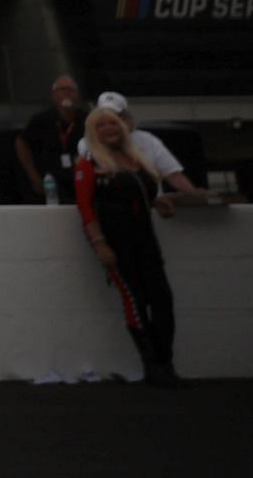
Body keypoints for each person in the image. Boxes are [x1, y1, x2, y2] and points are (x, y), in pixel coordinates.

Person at [73, 106, 183, 386]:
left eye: (113, 123)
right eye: (102, 126)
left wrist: (159, 202)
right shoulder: (88, 164)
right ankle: (153, 366)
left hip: (146, 240)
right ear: (92, 133)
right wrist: (100, 244)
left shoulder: (136, 159)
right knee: (135, 301)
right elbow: (85, 209)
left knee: (162, 301)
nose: (109, 129)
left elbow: (144, 194)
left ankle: (164, 362)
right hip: (115, 243)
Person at [77, 91, 201, 195]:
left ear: (125, 116)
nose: (109, 125)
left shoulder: (148, 140)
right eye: (104, 119)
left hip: (151, 209)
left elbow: (173, 174)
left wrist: (194, 193)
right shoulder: (86, 144)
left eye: (115, 118)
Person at [15, 75, 88, 202]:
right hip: (50, 185)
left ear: (77, 95)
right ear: (54, 95)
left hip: (81, 182)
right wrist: (33, 176)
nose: (67, 93)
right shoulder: (41, 120)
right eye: (62, 89)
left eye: (71, 90)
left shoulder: (88, 119)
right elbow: (21, 142)